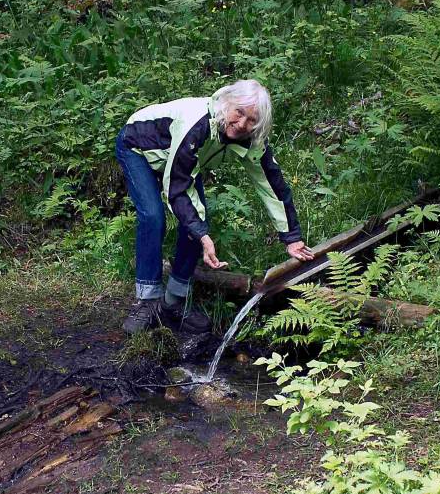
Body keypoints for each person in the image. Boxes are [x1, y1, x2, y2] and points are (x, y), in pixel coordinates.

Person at [115, 79, 314, 335]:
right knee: (154, 217)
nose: (241, 124)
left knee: (196, 221)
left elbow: (272, 185)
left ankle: (173, 302)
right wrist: (202, 235)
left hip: (183, 160)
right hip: (139, 147)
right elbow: (177, 188)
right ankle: (148, 302)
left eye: (251, 120)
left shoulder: (252, 139)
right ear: (227, 104)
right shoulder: (196, 124)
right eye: (239, 112)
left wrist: (291, 237)